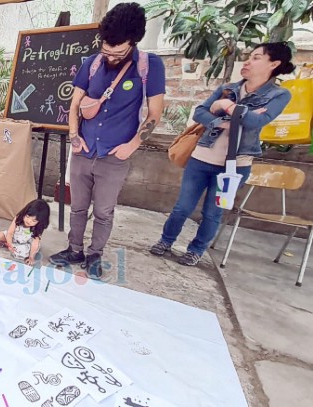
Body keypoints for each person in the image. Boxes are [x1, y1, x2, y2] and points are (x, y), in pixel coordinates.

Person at [49, 2, 166, 278]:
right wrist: (75, 137)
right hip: (83, 151)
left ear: (133, 41)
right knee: (77, 207)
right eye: (106, 50)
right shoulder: (91, 63)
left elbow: (155, 113)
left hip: (114, 156)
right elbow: (75, 102)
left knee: (103, 212)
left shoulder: (150, 66)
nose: (111, 57)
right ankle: (74, 249)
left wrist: (132, 146)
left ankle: (94, 255)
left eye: (118, 52)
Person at [150, 43, 294, 266]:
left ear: (274, 64)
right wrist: (223, 119)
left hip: (236, 165)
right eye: (249, 56)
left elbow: (257, 121)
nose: (247, 62)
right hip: (202, 158)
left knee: (212, 212)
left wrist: (225, 105)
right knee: (183, 207)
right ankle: (166, 240)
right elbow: (200, 112)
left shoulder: (279, 95)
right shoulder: (228, 88)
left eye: (256, 58)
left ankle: (196, 250)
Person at [0, 199, 50, 266]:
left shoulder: (38, 227)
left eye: (34, 221)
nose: (29, 221)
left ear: (40, 222)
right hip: (13, 236)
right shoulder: (18, 217)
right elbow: (10, 233)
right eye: (27, 216)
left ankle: (6, 244)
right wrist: (9, 244)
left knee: (23, 253)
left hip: (25, 242)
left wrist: (31, 257)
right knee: (0, 235)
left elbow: (35, 243)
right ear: (25, 212)